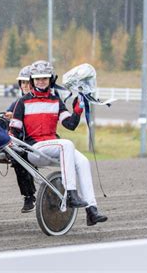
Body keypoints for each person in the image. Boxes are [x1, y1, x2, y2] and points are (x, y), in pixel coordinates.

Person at [9, 60, 107, 226]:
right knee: (66, 144)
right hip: (35, 150)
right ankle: (70, 192)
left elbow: (70, 124)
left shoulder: (56, 101)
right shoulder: (23, 102)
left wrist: (79, 107)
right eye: (38, 79)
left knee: (83, 161)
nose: (41, 82)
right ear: (33, 80)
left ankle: (92, 210)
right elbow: (13, 131)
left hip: (54, 148)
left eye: (45, 78)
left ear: (50, 80)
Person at [6, 65, 37, 213]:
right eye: (23, 83)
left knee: (18, 157)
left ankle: (29, 196)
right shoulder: (17, 102)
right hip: (18, 141)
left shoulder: (37, 102)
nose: (25, 86)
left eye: (28, 82)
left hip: (33, 142)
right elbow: (7, 114)